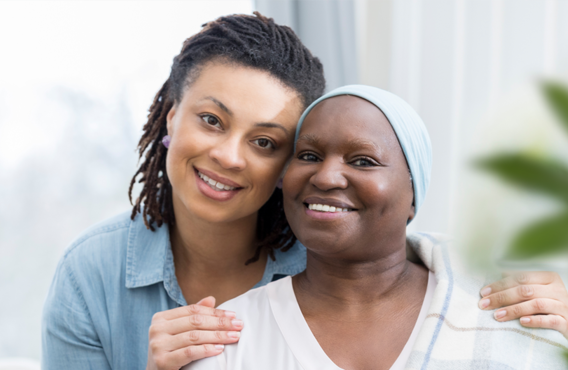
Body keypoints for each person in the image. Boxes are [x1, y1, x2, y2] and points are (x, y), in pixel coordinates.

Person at [41, 12, 568, 370]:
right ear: (171, 117)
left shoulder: (333, 255)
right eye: (210, 120)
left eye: (266, 141)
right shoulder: (92, 275)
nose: (229, 155)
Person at [185, 85, 568, 370]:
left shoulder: (510, 311)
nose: (327, 176)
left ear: (413, 196)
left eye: (364, 161)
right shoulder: (226, 339)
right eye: (309, 155)